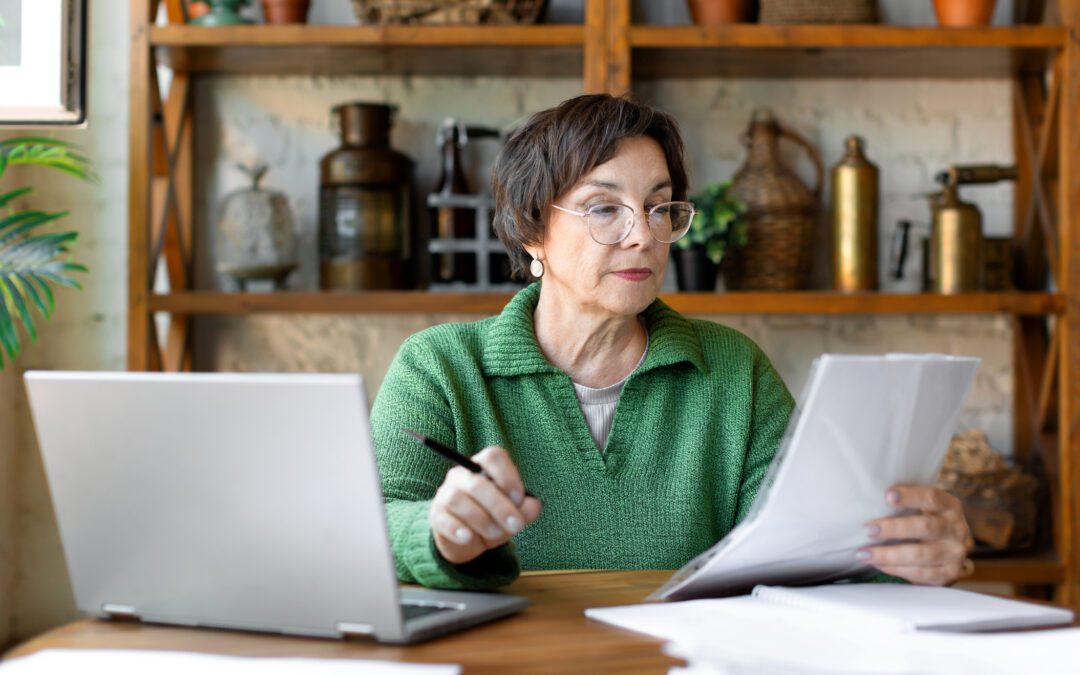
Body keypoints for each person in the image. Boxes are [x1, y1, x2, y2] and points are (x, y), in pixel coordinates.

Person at [369, 94, 973, 591]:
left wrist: (908, 558)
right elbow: (370, 527)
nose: (643, 237)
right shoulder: (439, 367)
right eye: (604, 208)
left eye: (659, 208)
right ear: (532, 232)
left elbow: (809, 549)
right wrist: (438, 530)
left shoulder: (734, 369)